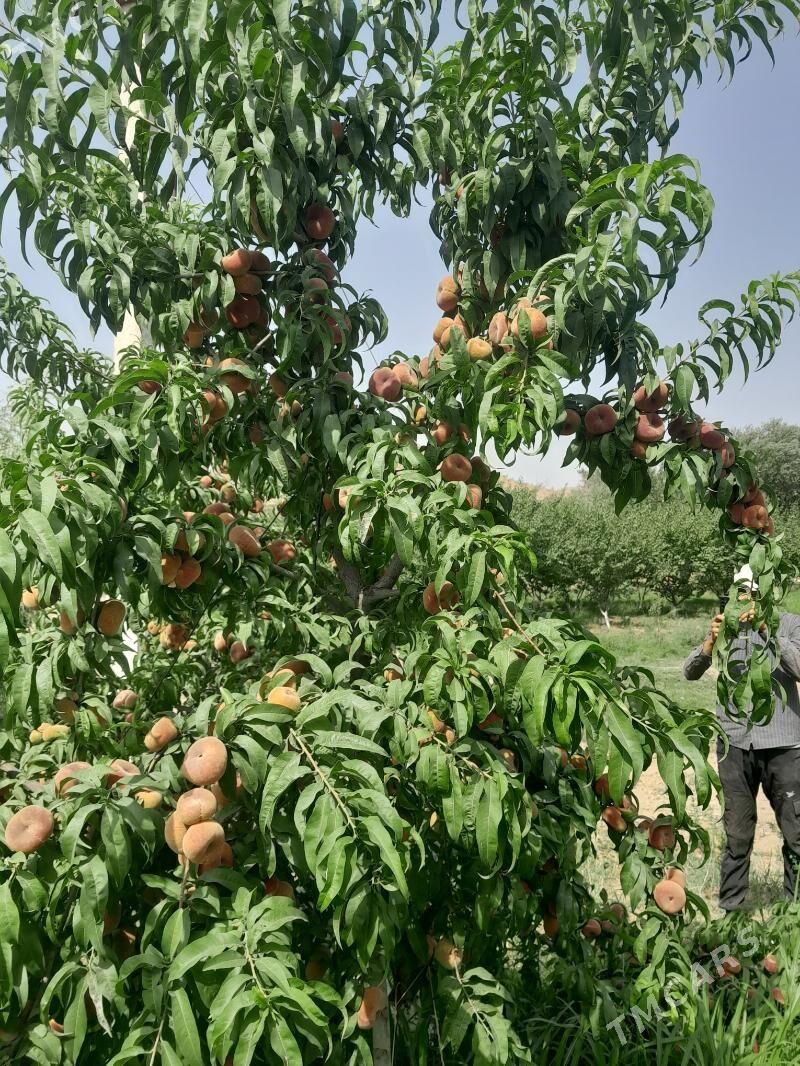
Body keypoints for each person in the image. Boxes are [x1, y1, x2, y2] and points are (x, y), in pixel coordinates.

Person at [684, 565, 800, 911]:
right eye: (740, 592)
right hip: (734, 745)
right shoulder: (727, 628)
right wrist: (710, 641)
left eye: (751, 592)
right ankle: (731, 916)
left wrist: (766, 628)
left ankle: (793, 916)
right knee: (737, 836)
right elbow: (689, 672)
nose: (744, 599)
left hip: (784, 746)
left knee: (796, 834)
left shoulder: (789, 623)